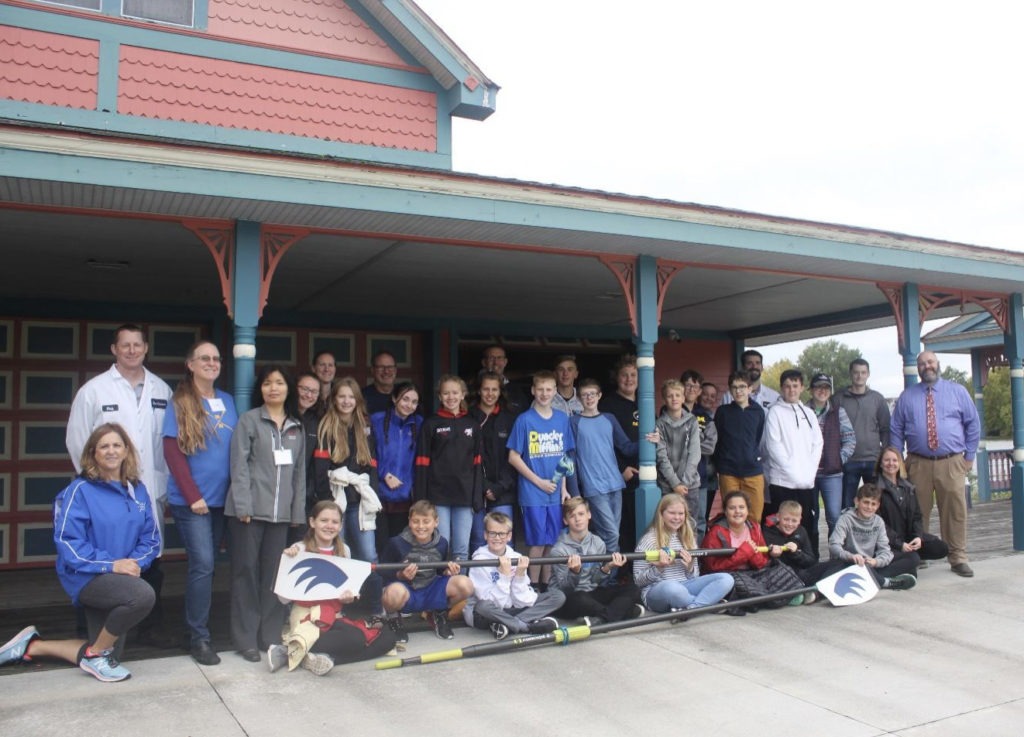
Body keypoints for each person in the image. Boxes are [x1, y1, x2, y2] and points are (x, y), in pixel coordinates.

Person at [0, 424, 158, 682]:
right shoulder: (79, 491)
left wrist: (133, 563)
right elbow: (68, 543)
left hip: (121, 576)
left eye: (117, 445)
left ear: (126, 450)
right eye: (104, 446)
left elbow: (150, 538)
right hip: (86, 575)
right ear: (93, 454)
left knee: (108, 651)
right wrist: (112, 565)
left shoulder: (137, 490)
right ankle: (96, 655)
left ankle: (33, 646)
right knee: (142, 596)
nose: (111, 451)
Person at [65, 323, 173, 647]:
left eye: (137, 345)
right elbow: (77, 439)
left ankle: (148, 628)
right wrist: (95, 482)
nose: (131, 350)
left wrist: (164, 488)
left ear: (145, 348)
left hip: (149, 490)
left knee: (150, 558)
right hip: (104, 491)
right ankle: (88, 631)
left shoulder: (162, 390)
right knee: (102, 557)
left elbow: (168, 445)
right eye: (124, 345)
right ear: (114, 349)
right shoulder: (94, 390)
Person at [162, 340, 237, 666]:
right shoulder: (179, 403)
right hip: (193, 502)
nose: (211, 363)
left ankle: (201, 628)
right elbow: (172, 452)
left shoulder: (229, 400)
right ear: (190, 364)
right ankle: (199, 638)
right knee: (204, 564)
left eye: (216, 359)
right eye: (204, 358)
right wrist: (194, 497)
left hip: (223, 501)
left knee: (214, 567)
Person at [226, 365, 306, 662]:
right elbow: (240, 466)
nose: (273, 388)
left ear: (288, 389)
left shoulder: (296, 427)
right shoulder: (249, 421)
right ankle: (245, 639)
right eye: (268, 383)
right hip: (249, 514)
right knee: (245, 573)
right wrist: (243, 505)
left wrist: (296, 512)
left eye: (280, 383)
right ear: (260, 389)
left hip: (280, 517)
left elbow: (299, 475)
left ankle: (269, 636)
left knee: (275, 576)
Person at [268, 501, 396, 675]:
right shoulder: (299, 549)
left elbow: (347, 593)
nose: (329, 526)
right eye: (324, 520)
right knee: (356, 639)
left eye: (334, 522)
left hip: (335, 618)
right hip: (308, 620)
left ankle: (311, 657)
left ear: (340, 525)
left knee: (388, 638)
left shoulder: (345, 551)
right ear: (312, 522)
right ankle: (299, 648)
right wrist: (286, 562)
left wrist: (349, 598)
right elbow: (283, 599)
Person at [889, 350, 980, 578]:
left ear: (938, 364)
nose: (926, 366)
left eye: (930, 362)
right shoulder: (907, 396)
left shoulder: (957, 391)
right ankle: (919, 556)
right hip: (917, 463)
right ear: (918, 369)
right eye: (922, 364)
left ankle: (958, 557)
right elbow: (896, 431)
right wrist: (898, 462)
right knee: (917, 512)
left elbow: (973, 424)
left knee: (954, 511)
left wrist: (969, 457)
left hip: (951, 462)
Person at [507, 370, 575, 585]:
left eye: (549, 389)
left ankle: (547, 584)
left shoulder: (562, 419)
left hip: (555, 491)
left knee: (551, 542)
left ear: (555, 391)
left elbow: (564, 457)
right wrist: (538, 481)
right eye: (540, 389)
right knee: (537, 542)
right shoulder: (524, 420)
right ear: (533, 391)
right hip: (533, 492)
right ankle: (533, 584)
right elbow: (513, 457)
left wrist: (563, 488)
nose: (544, 394)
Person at [380, 500, 474, 642]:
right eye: (416, 521)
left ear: (436, 522)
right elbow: (382, 573)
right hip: (407, 590)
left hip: (430, 587)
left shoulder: (442, 543)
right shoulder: (396, 543)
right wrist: (400, 575)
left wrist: (448, 572)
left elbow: (440, 571)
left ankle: (438, 612)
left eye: (426, 521)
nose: (421, 526)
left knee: (465, 584)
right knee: (393, 593)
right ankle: (393, 618)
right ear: (409, 522)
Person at [462, 511, 566, 640]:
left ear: (509, 536)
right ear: (485, 535)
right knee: (483, 606)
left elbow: (523, 601)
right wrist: (504, 577)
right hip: (486, 613)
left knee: (558, 596)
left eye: (501, 533)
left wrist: (519, 577)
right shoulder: (479, 560)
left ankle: (506, 624)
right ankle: (526, 627)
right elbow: (491, 602)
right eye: (492, 533)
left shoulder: (516, 557)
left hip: (512, 608)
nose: (497, 537)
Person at [568, 377, 640, 558]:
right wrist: (575, 490)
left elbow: (626, 446)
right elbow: (571, 458)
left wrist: (648, 441)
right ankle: (605, 576)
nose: (589, 398)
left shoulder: (609, 418)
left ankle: (605, 575)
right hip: (593, 487)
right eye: (584, 395)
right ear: (578, 398)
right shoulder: (574, 422)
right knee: (611, 534)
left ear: (599, 396)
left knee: (610, 533)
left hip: (615, 483)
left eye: (592, 394)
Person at [413, 375, 483, 562]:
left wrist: (477, 496)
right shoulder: (430, 424)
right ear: (439, 396)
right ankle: (440, 590)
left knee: (461, 551)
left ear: (463, 395)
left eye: (455, 393)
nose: (450, 397)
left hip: (465, 496)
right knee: (440, 548)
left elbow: (478, 464)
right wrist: (421, 498)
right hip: (438, 497)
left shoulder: (472, 425)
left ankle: (460, 590)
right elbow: (421, 464)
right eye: (446, 393)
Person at [702, 491, 811, 610]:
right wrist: (743, 554)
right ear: (726, 511)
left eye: (742, 507)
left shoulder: (754, 527)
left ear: (747, 510)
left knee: (784, 572)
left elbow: (763, 563)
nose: (737, 511)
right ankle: (769, 599)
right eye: (732, 508)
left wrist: (752, 555)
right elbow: (712, 567)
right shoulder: (716, 532)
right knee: (741, 583)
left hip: (754, 573)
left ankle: (755, 600)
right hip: (730, 575)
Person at [313, 377, 381, 563]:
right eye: (341, 396)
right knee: (337, 554)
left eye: (351, 397)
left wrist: (372, 492)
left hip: (359, 501)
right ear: (334, 399)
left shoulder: (365, 427)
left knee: (368, 555)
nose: (346, 401)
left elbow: (372, 465)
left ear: (357, 400)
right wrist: (328, 503)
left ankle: (365, 593)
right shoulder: (326, 426)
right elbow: (320, 469)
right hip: (336, 500)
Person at [634, 494, 734, 613]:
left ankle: (691, 609)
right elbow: (638, 581)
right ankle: (710, 605)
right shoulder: (649, 539)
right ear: (661, 514)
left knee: (726, 578)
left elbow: (695, 576)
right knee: (674, 589)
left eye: (681, 514)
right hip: (658, 591)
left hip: (686, 586)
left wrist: (690, 567)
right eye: (672, 513)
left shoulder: (688, 538)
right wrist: (658, 568)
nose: (677, 517)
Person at [549, 497, 642, 624]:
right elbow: (565, 589)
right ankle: (623, 612)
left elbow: (595, 580)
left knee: (633, 589)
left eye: (581, 514)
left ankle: (602, 618)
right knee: (580, 598)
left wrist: (607, 567)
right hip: (568, 599)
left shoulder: (598, 543)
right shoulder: (558, 550)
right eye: (572, 516)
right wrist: (575, 573)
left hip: (591, 593)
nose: (578, 519)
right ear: (566, 521)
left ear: (589, 515)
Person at [763, 369, 823, 549]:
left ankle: (809, 560)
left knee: (806, 524)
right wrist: (794, 473)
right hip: (782, 482)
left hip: (806, 482)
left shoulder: (809, 413)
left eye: (795, 386)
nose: (791, 390)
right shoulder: (774, 413)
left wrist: (810, 472)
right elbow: (774, 446)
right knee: (783, 525)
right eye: (787, 386)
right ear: (782, 388)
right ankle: (782, 563)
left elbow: (817, 443)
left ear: (802, 388)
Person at [828, 483, 918, 590]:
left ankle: (872, 577)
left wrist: (876, 562)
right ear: (857, 501)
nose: (869, 507)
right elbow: (834, 545)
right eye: (866, 502)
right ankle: (885, 582)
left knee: (913, 558)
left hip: (870, 563)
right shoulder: (845, 519)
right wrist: (850, 556)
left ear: (878, 505)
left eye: (873, 504)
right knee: (837, 569)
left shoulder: (878, 521)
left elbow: (885, 550)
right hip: (850, 562)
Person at [468, 372, 517, 552]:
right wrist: (483, 486)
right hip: (475, 490)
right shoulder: (469, 417)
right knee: (477, 541)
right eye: (486, 389)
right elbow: (464, 458)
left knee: (504, 542)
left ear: (500, 391)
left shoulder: (509, 418)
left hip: (503, 490)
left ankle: (506, 579)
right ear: (479, 391)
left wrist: (500, 486)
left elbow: (514, 458)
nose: (490, 394)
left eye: (494, 389)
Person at [875, 447, 950, 563]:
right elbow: (878, 524)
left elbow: (917, 516)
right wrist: (899, 544)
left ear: (900, 463)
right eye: (887, 460)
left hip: (908, 537)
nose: (891, 463)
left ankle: (907, 556)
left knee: (941, 547)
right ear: (880, 464)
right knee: (913, 560)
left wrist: (918, 537)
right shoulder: (875, 489)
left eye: (895, 460)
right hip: (888, 541)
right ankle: (902, 558)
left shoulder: (908, 487)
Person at [370, 381, 423, 545]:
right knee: (379, 545)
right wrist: (384, 473)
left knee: (399, 546)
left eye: (414, 402)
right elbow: (368, 452)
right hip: (378, 494)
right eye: (405, 399)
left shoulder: (419, 424)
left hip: (405, 495)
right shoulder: (376, 420)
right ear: (394, 398)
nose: (409, 405)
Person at [598, 355, 641, 553]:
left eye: (633, 374)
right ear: (617, 377)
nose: (629, 379)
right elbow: (604, 445)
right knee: (621, 526)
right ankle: (621, 571)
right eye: (625, 375)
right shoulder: (608, 405)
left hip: (645, 475)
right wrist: (621, 469)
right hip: (621, 475)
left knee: (641, 523)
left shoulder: (645, 402)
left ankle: (639, 568)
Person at [835, 358, 891, 509]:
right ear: (850, 374)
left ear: (868, 374)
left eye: (863, 372)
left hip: (873, 459)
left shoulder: (877, 399)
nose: (859, 376)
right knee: (847, 505)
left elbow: (885, 428)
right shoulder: (839, 398)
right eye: (856, 372)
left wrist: (884, 453)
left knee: (876, 504)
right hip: (848, 460)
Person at [807, 373, 855, 545]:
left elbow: (850, 440)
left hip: (832, 475)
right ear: (811, 390)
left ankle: (836, 556)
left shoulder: (838, 412)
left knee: (834, 517)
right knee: (810, 518)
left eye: (826, 387)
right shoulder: (802, 411)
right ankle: (812, 557)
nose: (822, 391)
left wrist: (838, 459)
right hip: (808, 476)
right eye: (818, 387)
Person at [712, 370, 767, 522]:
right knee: (732, 515)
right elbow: (718, 439)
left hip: (753, 470)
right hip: (729, 471)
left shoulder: (758, 412)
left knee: (754, 515)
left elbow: (757, 438)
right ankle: (733, 545)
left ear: (750, 389)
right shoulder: (723, 412)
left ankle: (752, 545)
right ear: (730, 390)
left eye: (742, 386)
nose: (738, 391)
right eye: (734, 387)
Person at [654, 379, 702, 537]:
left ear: (683, 398)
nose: (674, 398)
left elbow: (694, 453)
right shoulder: (659, 424)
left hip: (690, 486)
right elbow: (662, 457)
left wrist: (684, 484)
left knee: (691, 526)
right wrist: (675, 484)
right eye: (669, 396)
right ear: (664, 399)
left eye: (678, 395)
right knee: (668, 526)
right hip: (668, 485)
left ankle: (691, 560)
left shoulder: (692, 421)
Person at [763, 500, 845, 585]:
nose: (790, 524)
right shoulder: (768, 532)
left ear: (799, 520)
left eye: (794, 521)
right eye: (786, 519)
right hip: (779, 577)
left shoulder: (801, 530)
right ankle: (813, 591)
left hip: (802, 574)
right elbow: (762, 564)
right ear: (778, 517)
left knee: (839, 563)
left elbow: (811, 561)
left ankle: (815, 591)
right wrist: (772, 555)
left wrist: (796, 553)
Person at [679, 370, 718, 540]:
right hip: (676, 476)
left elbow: (710, 447)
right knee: (677, 518)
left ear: (699, 390)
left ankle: (698, 558)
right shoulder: (670, 410)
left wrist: (687, 444)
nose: (691, 389)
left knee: (699, 520)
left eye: (695, 386)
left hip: (699, 476)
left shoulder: (705, 416)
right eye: (688, 385)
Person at [295, 371, 324, 519]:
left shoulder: (317, 421)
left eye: (314, 392)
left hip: (305, 496)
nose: (308, 395)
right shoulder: (282, 415)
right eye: (304, 389)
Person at [481, 344, 529, 415]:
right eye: (491, 358)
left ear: (505, 362)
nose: (496, 363)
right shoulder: (475, 388)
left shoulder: (516, 390)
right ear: (484, 362)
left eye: (499, 358)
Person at [364, 350, 399, 416]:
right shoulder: (362, 397)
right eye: (381, 367)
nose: (386, 371)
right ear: (372, 370)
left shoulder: (405, 395)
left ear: (395, 370)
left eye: (390, 367)